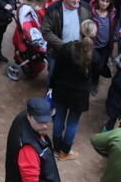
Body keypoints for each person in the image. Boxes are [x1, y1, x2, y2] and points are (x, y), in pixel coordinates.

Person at [50, 20, 96, 161]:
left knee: (59, 118)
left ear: (80, 31)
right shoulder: (95, 56)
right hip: (79, 95)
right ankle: (64, 152)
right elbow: (94, 77)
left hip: (62, 90)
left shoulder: (67, 48)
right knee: (73, 122)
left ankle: (56, 147)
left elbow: (56, 70)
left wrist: (52, 85)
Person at [4, 98, 61, 182]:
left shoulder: (23, 118)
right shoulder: (29, 149)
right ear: (29, 116)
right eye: (40, 122)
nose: (45, 126)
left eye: (47, 121)